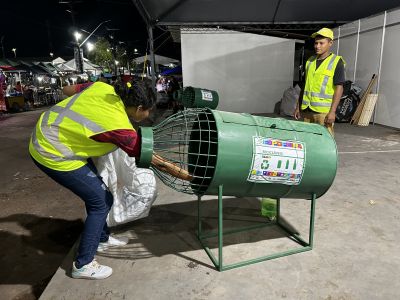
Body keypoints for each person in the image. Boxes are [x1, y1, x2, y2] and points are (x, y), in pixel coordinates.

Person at [29, 78, 155, 279]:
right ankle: (83, 264)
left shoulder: (103, 87)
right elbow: (147, 155)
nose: (149, 115)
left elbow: (66, 89)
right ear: (139, 108)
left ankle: (102, 239)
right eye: (148, 110)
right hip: (52, 153)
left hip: (49, 132)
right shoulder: (121, 128)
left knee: (99, 195)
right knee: (101, 201)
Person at [294, 28, 345, 136]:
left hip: (323, 112)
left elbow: (339, 88)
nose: (317, 46)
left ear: (330, 43)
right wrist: (298, 107)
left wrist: (332, 112)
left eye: (321, 43)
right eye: (316, 43)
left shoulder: (336, 62)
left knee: (325, 140)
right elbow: (304, 86)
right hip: (307, 110)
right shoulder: (310, 61)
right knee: (307, 139)